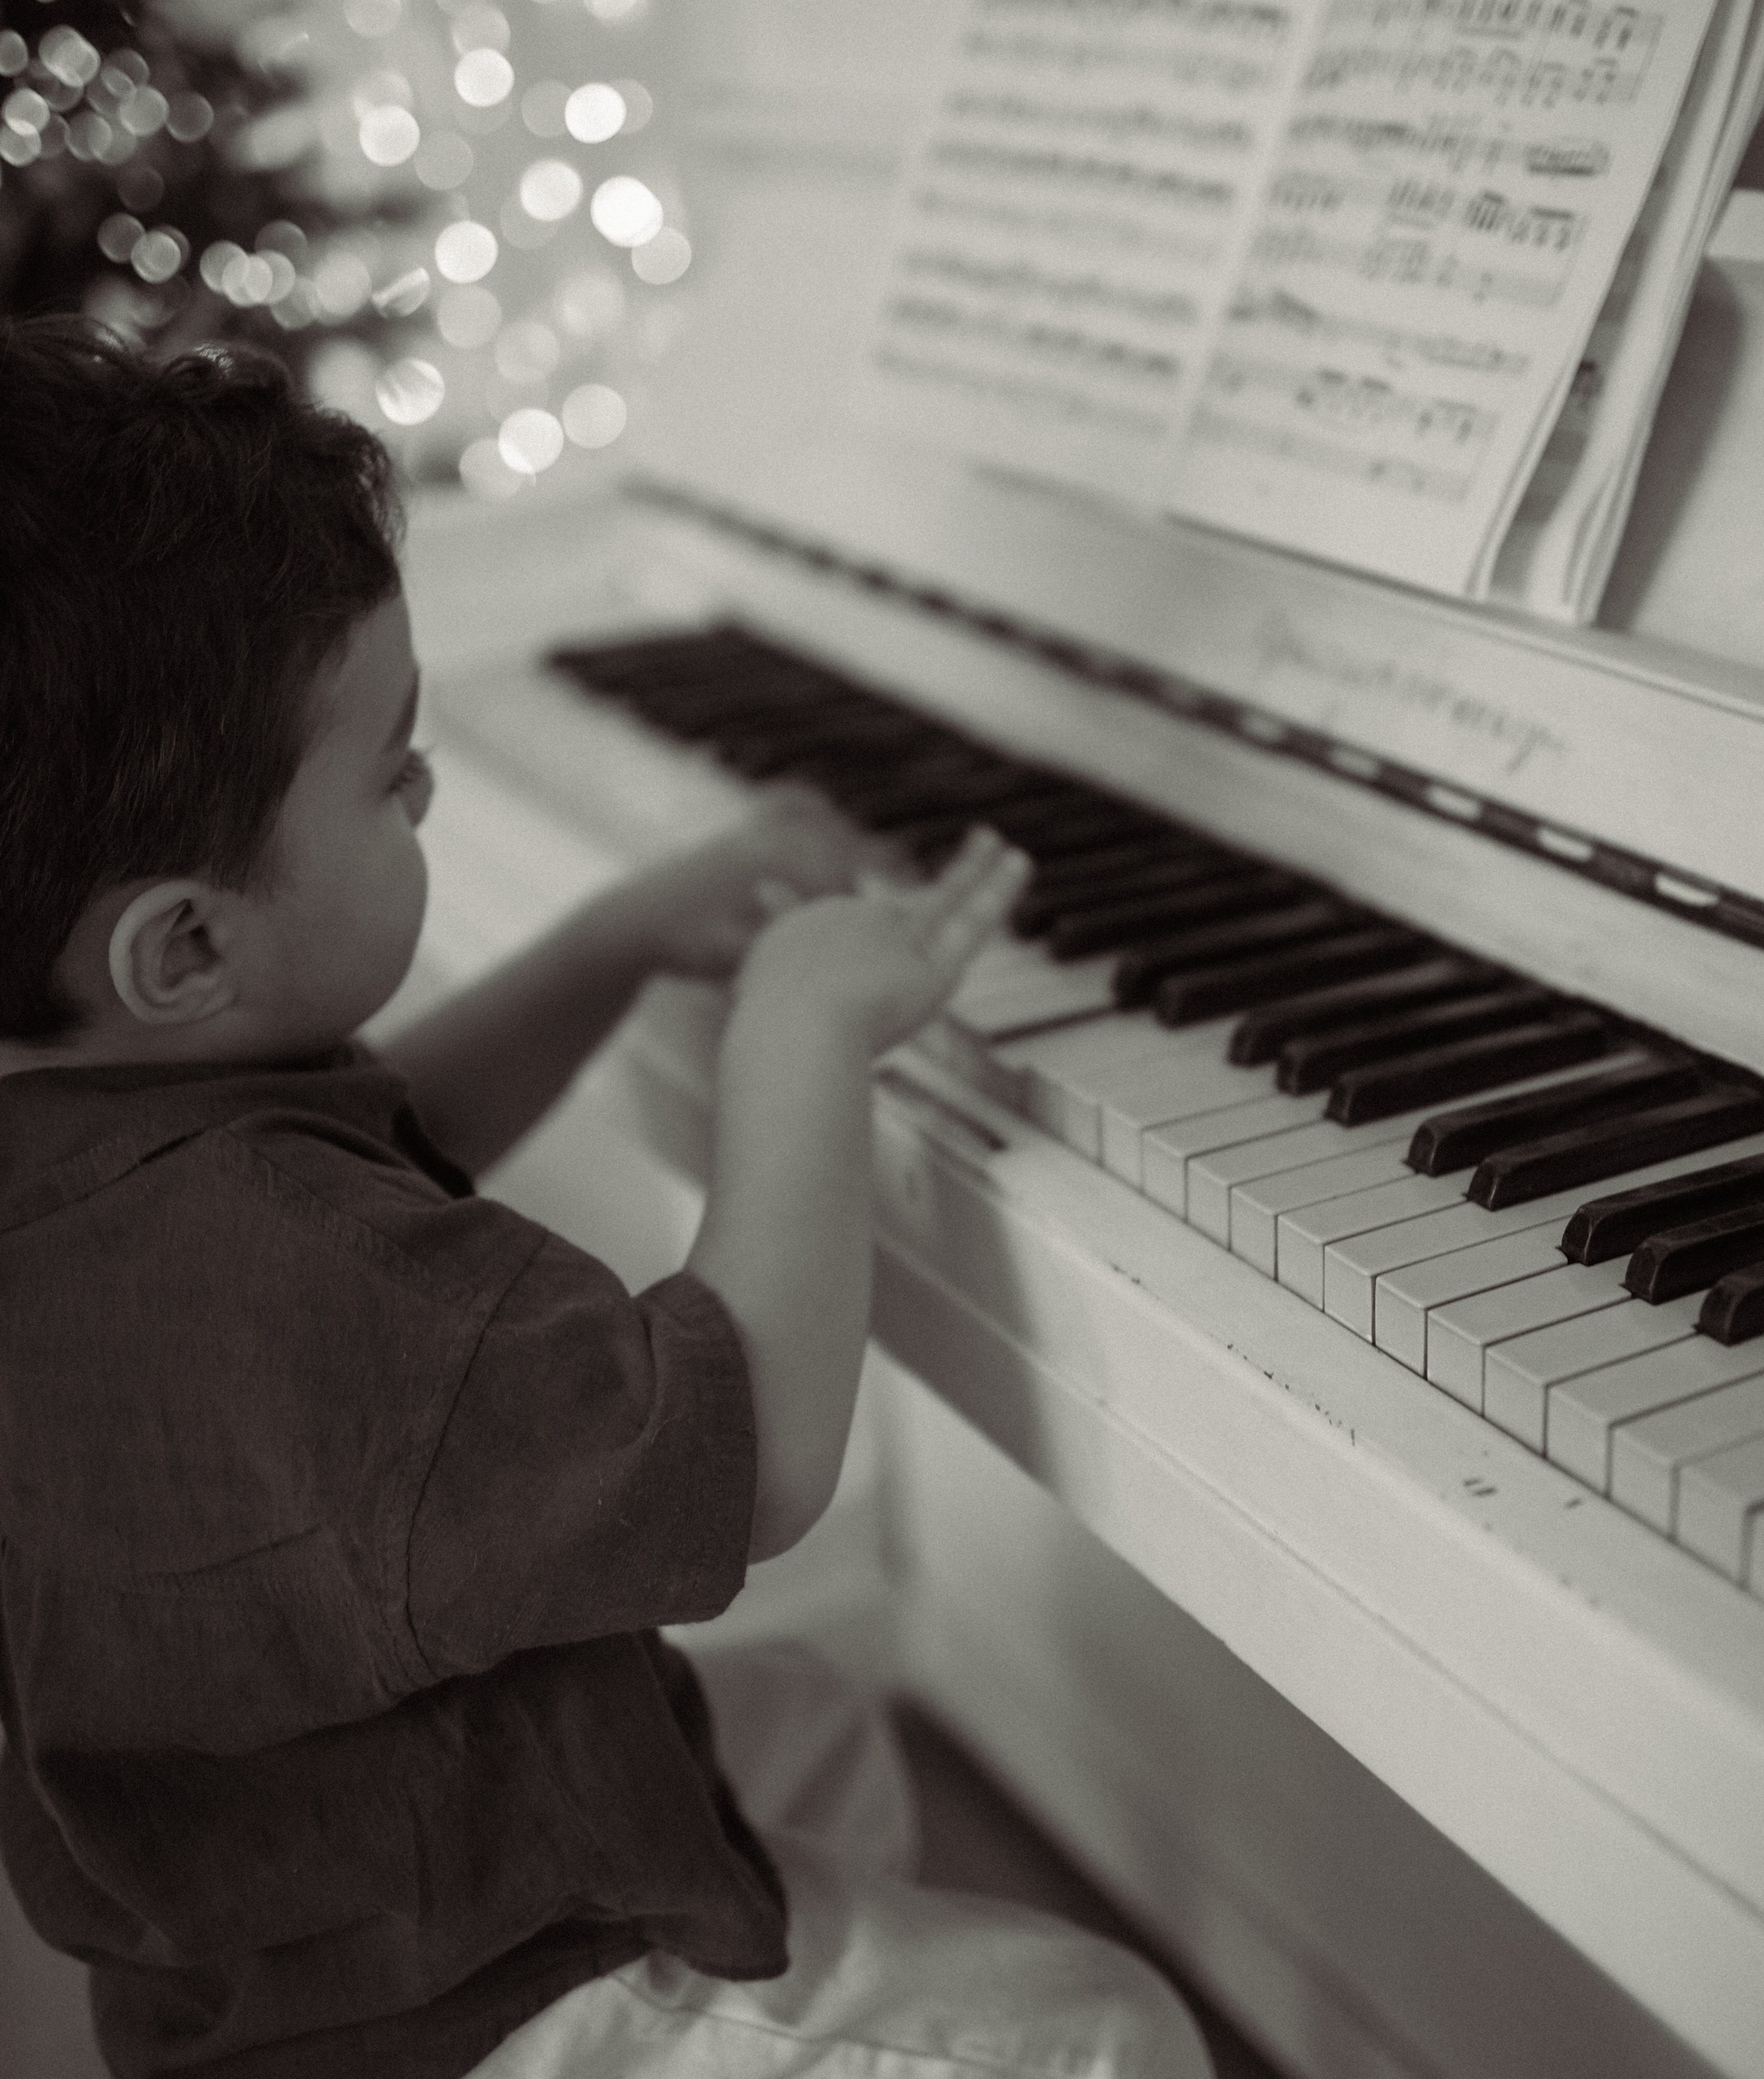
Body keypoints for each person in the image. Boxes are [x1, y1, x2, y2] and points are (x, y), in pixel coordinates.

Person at [0, 317, 1215, 2079]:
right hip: (468, 2005)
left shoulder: (100, 1160)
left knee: (799, 1731)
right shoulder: (282, 1268)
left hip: (266, 1939)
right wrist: (797, 1035)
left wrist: (618, 935)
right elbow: (761, 1451)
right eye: (390, 772)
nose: (424, 783)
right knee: (1101, 2027)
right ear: (185, 943)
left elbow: (374, 1134)